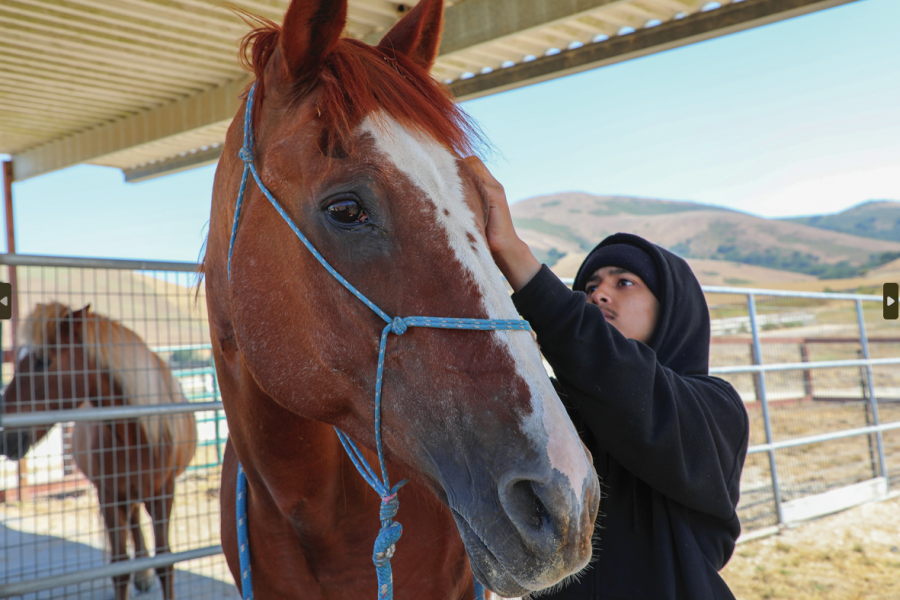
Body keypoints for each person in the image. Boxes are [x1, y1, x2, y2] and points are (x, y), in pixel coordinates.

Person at [466, 157, 750, 600]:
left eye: (625, 283)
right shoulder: (552, 407)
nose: (599, 293)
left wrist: (516, 256)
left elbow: (629, 388)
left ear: (673, 309)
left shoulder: (715, 410)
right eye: (589, 286)